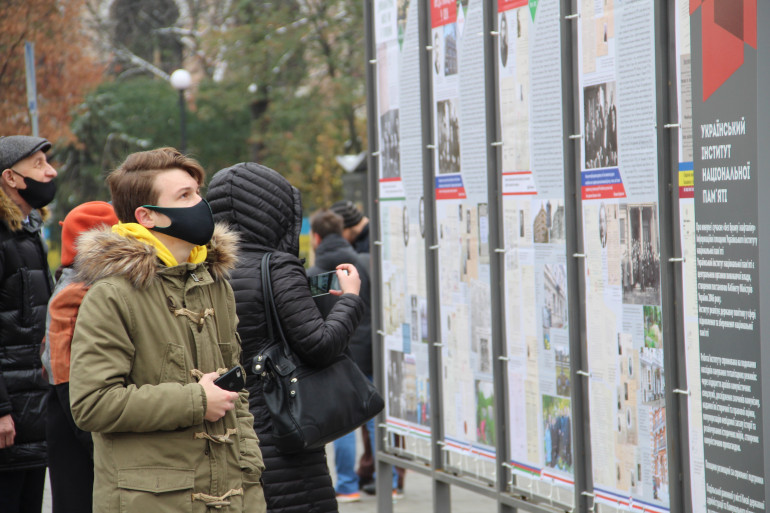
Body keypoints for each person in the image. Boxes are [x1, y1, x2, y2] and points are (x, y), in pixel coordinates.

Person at [68, 148, 266, 512]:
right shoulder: (112, 295)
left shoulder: (214, 282)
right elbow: (92, 404)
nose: (200, 204)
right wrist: (196, 401)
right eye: (184, 196)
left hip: (231, 497)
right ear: (147, 216)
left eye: (198, 192)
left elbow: (237, 395)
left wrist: (249, 480)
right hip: (152, 501)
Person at [207, 162, 364, 513]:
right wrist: (350, 299)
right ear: (277, 211)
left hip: (227, 429)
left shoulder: (205, 267)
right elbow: (320, 345)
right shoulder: (277, 265)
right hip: (283, 432)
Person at [42, 201, 118, 513]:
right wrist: (94, 442)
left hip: (72, 418)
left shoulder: (72, 283)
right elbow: (63, 371)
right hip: (75, 424)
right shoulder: (77, 292)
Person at [0, 135, 58, 513]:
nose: (50, 172)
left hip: (32, 415)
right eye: (38, 164)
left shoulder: (28, 232)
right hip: (8, 420)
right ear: (10, 178)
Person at [307, 210, 373, 503]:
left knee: (343, 420)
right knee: (375, 418)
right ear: (344, 233)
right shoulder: (366, 262)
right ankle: (392, 482)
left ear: (317, 237)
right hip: (371, 348)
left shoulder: (312, 274)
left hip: (338, 351)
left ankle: (347, 485)